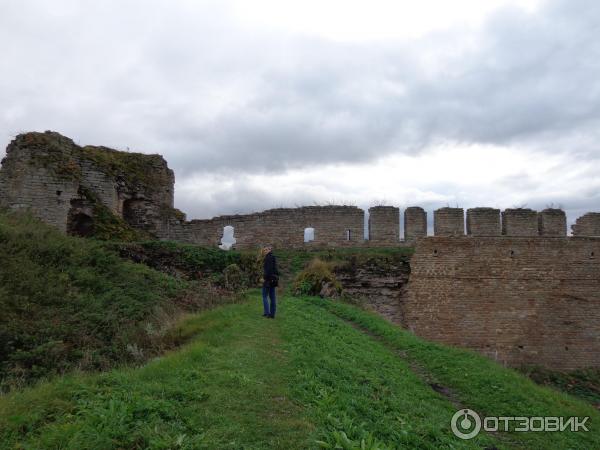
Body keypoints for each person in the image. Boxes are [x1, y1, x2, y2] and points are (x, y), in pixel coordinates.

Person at [262, 245, 279, 318]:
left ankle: (267, 313)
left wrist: (264, 278)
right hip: (273, 280)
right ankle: (272, 314)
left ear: (270, 250)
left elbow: (268, 270)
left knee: (264, 296)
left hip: (268, 280)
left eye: (266, 249)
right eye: (264, 250)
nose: (265, 251)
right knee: (272, 297)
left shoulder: (268, 258)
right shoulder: (273, 257)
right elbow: (275, 270)